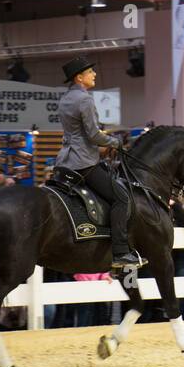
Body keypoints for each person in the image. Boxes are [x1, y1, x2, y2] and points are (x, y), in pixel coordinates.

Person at [53, 57, 138, 269]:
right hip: (84, 161)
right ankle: (120, 252)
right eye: (90, 72)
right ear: (79, 77)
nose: (94, 74)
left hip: (66, 160)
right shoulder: (85, 100)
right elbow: (92, 135)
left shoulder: (65, 99)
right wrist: (115, 141)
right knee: (122, 197)